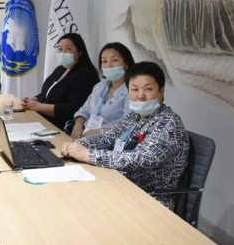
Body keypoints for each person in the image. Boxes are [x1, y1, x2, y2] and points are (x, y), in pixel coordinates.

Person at [61, 61, 189, 208]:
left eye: (148, 89)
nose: (140, 96)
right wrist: (77, 145)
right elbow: (108, 137)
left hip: (150, 200)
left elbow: (141, 158)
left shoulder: (169, 123)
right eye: (135, 89)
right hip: (120, 185)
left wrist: (88, 154)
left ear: (161, 91)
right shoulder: (134, 116)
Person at [20, 32, 99, 131]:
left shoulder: (86, 74)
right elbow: (47, 93)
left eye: (68, 49)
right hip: (44, 119)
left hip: (63, 126)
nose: (63, 53)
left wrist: (38, 106)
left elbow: (72, 109)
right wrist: (33, 100)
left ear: (80, 52)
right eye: (60, 49)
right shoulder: (60, 69)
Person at [70, 42, 135, 138]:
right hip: (85, 136)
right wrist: (77, 127)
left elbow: (128, 126)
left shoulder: (132, 90)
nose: (109, 65)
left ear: (126, 64)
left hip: (110, 141)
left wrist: (100, 131)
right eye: (104, 61)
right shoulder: (99, 86)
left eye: (115, 60)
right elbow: (84, 110)